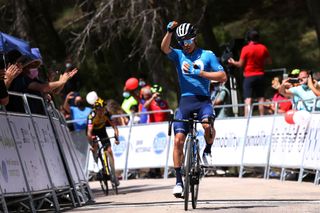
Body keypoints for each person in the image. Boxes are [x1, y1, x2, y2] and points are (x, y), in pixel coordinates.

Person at [161, 21, 227, 197]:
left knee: (207, 126)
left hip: (203, 100)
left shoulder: (207, 55)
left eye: (187, 41)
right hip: (185, 102)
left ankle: (207, 151)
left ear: (194, 38)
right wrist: (169, 32)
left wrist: (201, 73)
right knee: (178, 140)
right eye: (181, 42)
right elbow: (165, 48)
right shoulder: (179, 55)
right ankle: (178, 182)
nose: (185, 45)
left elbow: (222, 76)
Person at [228, 29, 272, 116]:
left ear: (248, 38)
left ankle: (247, 118)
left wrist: (232, 62)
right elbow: (269, 61)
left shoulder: (246, 49)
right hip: (260, 75)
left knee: (248, 98)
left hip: (249, 76)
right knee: (261, 98)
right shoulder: (263, 47)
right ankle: (262, 117)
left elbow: (240, 64)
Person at [87, 97, 120, 184]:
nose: (101, 112)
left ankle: (113, 173)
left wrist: (116, 138)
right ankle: (96, 158)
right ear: (96, 110)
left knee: (109, 150)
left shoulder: (107, 114)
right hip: (93, 131)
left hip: (102, 130)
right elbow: (89, 133)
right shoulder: (92, 116)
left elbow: (115, 128)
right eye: (99, 110)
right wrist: (91, 143)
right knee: (95, 144)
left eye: (103, 109)